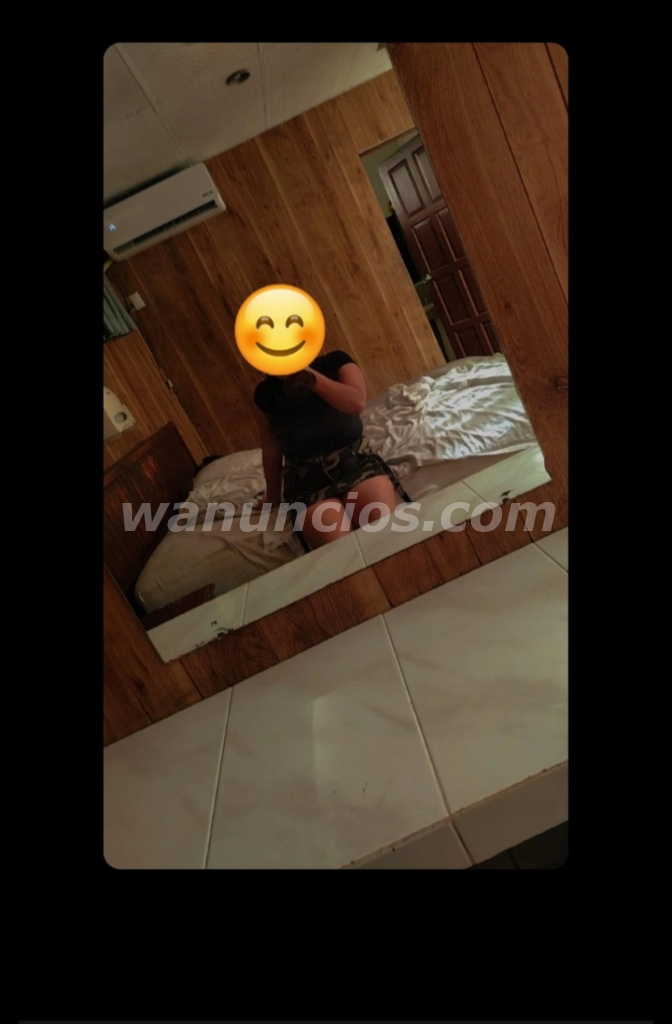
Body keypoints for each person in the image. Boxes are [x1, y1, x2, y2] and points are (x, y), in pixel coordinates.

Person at [252, 350, 401, 549]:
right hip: (308, 482)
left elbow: (356, 403)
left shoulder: (336, 362)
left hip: (355, 464)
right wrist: (272, 498)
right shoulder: (265, 394)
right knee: (344, 550)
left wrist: (307, 376)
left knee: (384, 535)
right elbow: (271, 447)